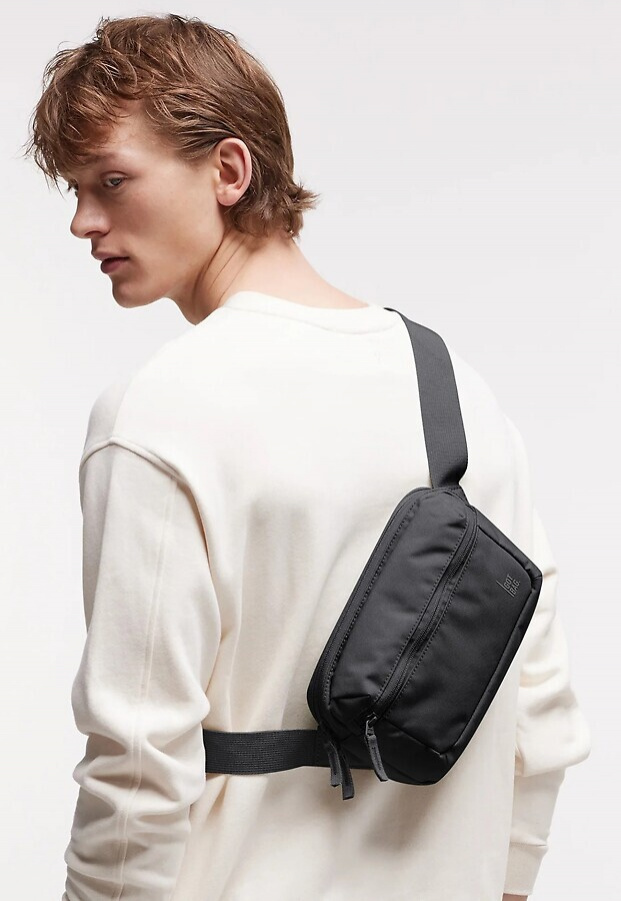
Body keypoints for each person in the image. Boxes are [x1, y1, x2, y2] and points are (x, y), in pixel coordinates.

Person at [23, 13, 591, 901]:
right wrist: (505, 879)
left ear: (228, 170)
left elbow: (137, 765)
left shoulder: (159, 414)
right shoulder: (459, 393)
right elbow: (541, 716)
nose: (82, 221)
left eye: (112, 180)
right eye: (75, 189)